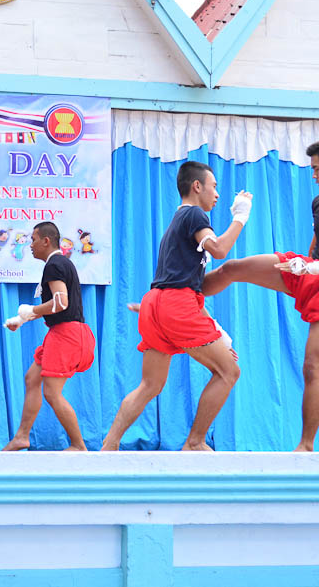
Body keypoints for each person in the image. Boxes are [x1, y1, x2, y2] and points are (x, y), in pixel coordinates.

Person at [202, 136, 319, 451]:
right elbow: (318, 240)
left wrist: (312, 268)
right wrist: (304, 265)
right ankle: (182, 294)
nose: (313, 175)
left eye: (316, 168)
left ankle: (305, 447)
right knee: (232, 268)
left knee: (312, 367)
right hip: (307, 270)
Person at [101, 161, 251, 451]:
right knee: (229, 372)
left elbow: (186, 288)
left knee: (150, 385)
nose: (217, 194)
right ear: (197, 186)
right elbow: (219, 249)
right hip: (175, 305)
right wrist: (241, 217)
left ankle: (110, 444)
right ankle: (195, 442)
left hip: (156, 303)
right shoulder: (194, 214)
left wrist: (220, 335)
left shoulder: (176, 222)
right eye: (214, 186)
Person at [3, 221, 96, 451]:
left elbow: (60, 302)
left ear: (46, 241)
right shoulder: (60, 263)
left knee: (52, 393)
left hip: (67, 335)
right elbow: (59, 305)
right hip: (65, 332)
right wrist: (22, 319)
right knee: (32, 379)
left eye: (33, 240)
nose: (30, 245)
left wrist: (32, 310)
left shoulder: (54, 265)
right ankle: (22, 436)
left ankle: (78, 445)